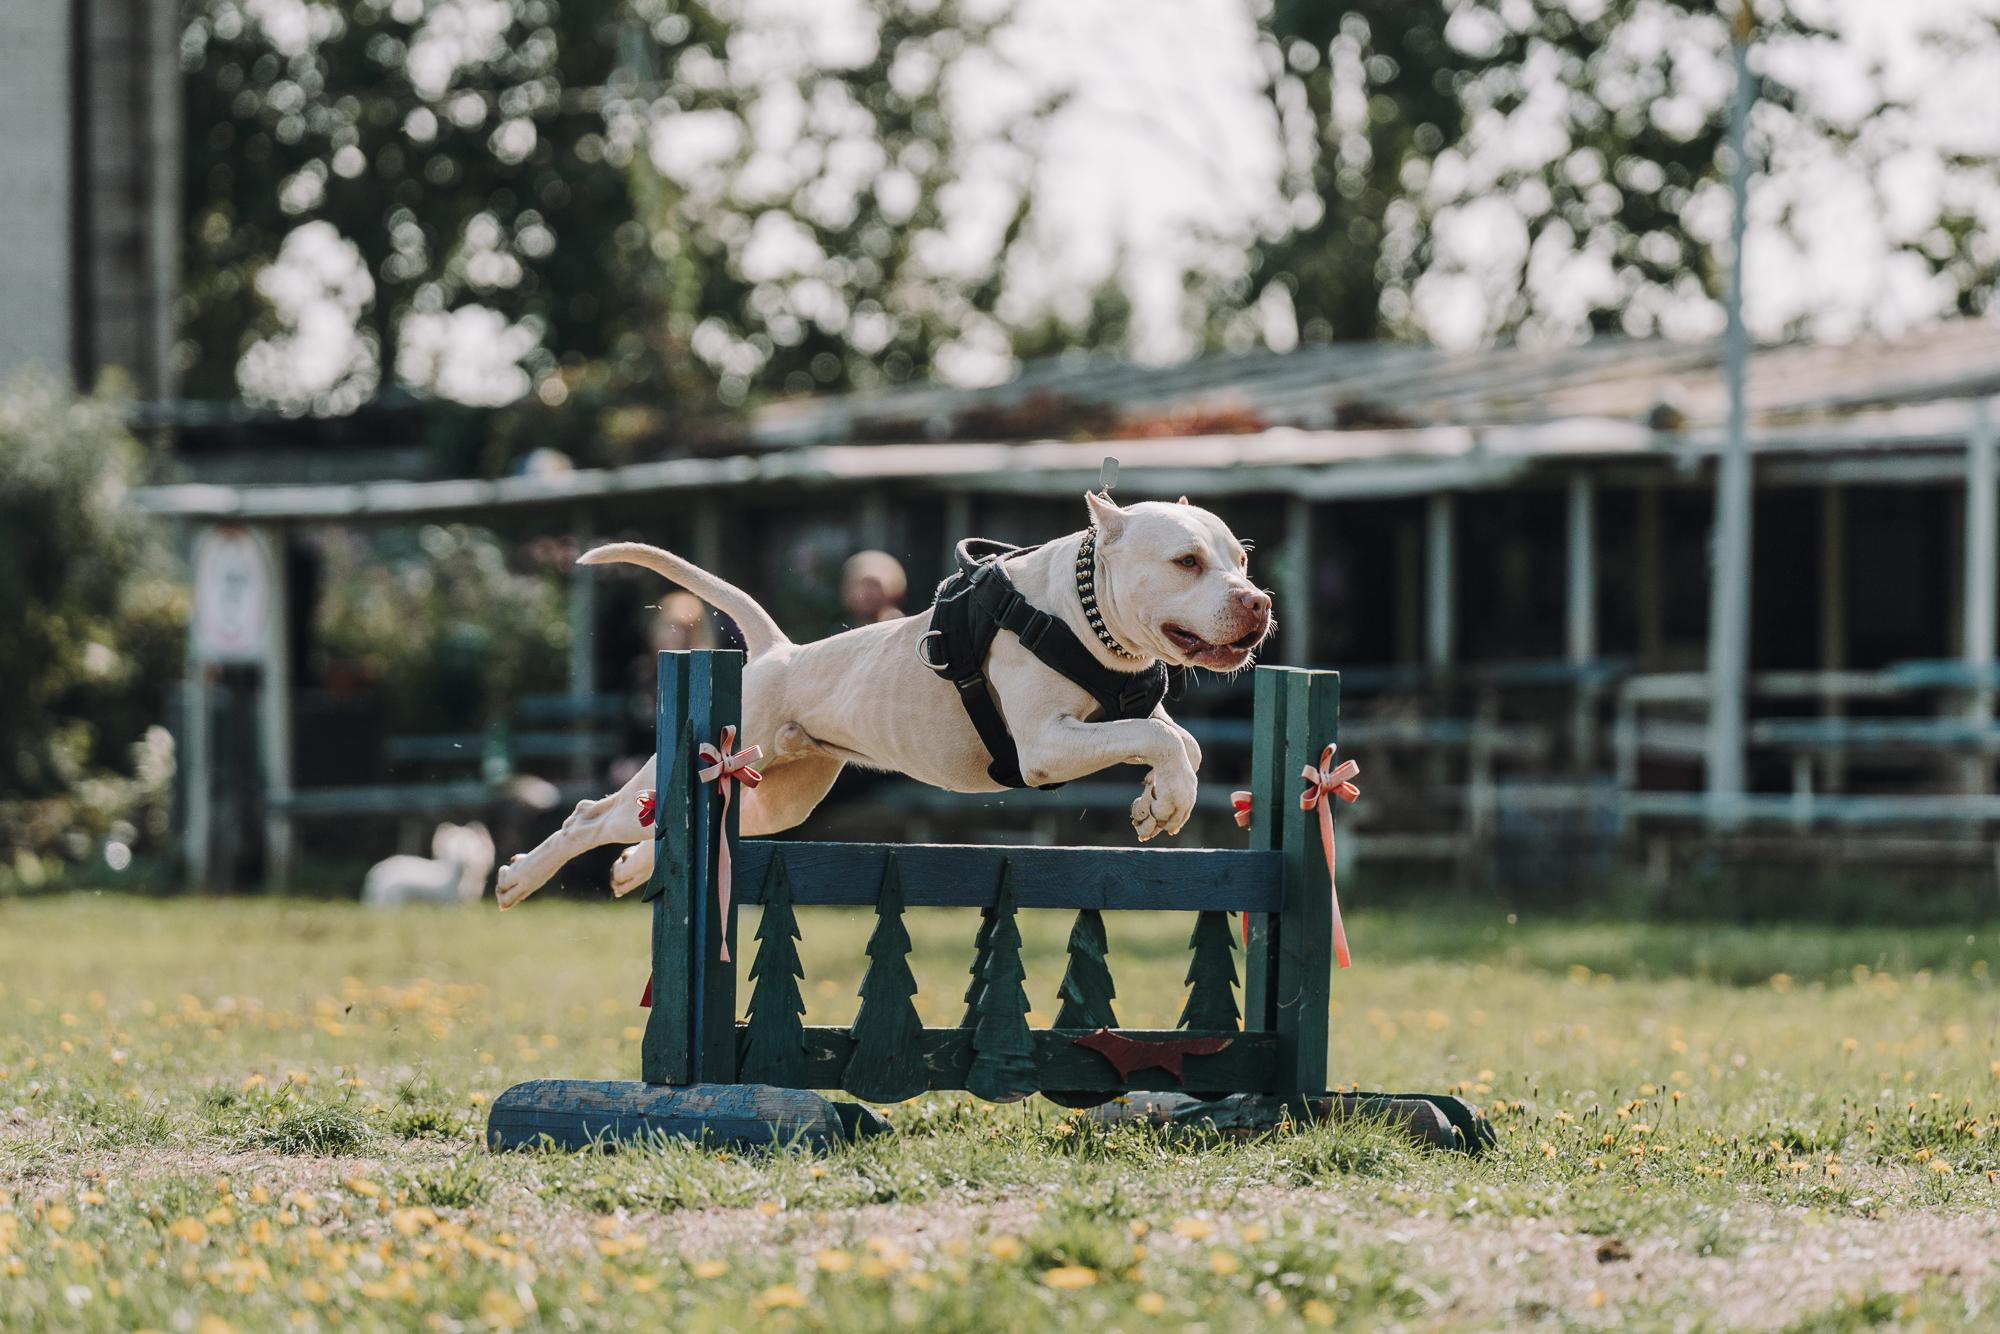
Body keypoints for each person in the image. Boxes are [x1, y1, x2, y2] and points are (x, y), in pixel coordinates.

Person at [840, 550, 907, 625]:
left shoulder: (903, 628)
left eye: (875, 585)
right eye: (862, 585)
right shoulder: (843, 630)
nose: (868, 593)